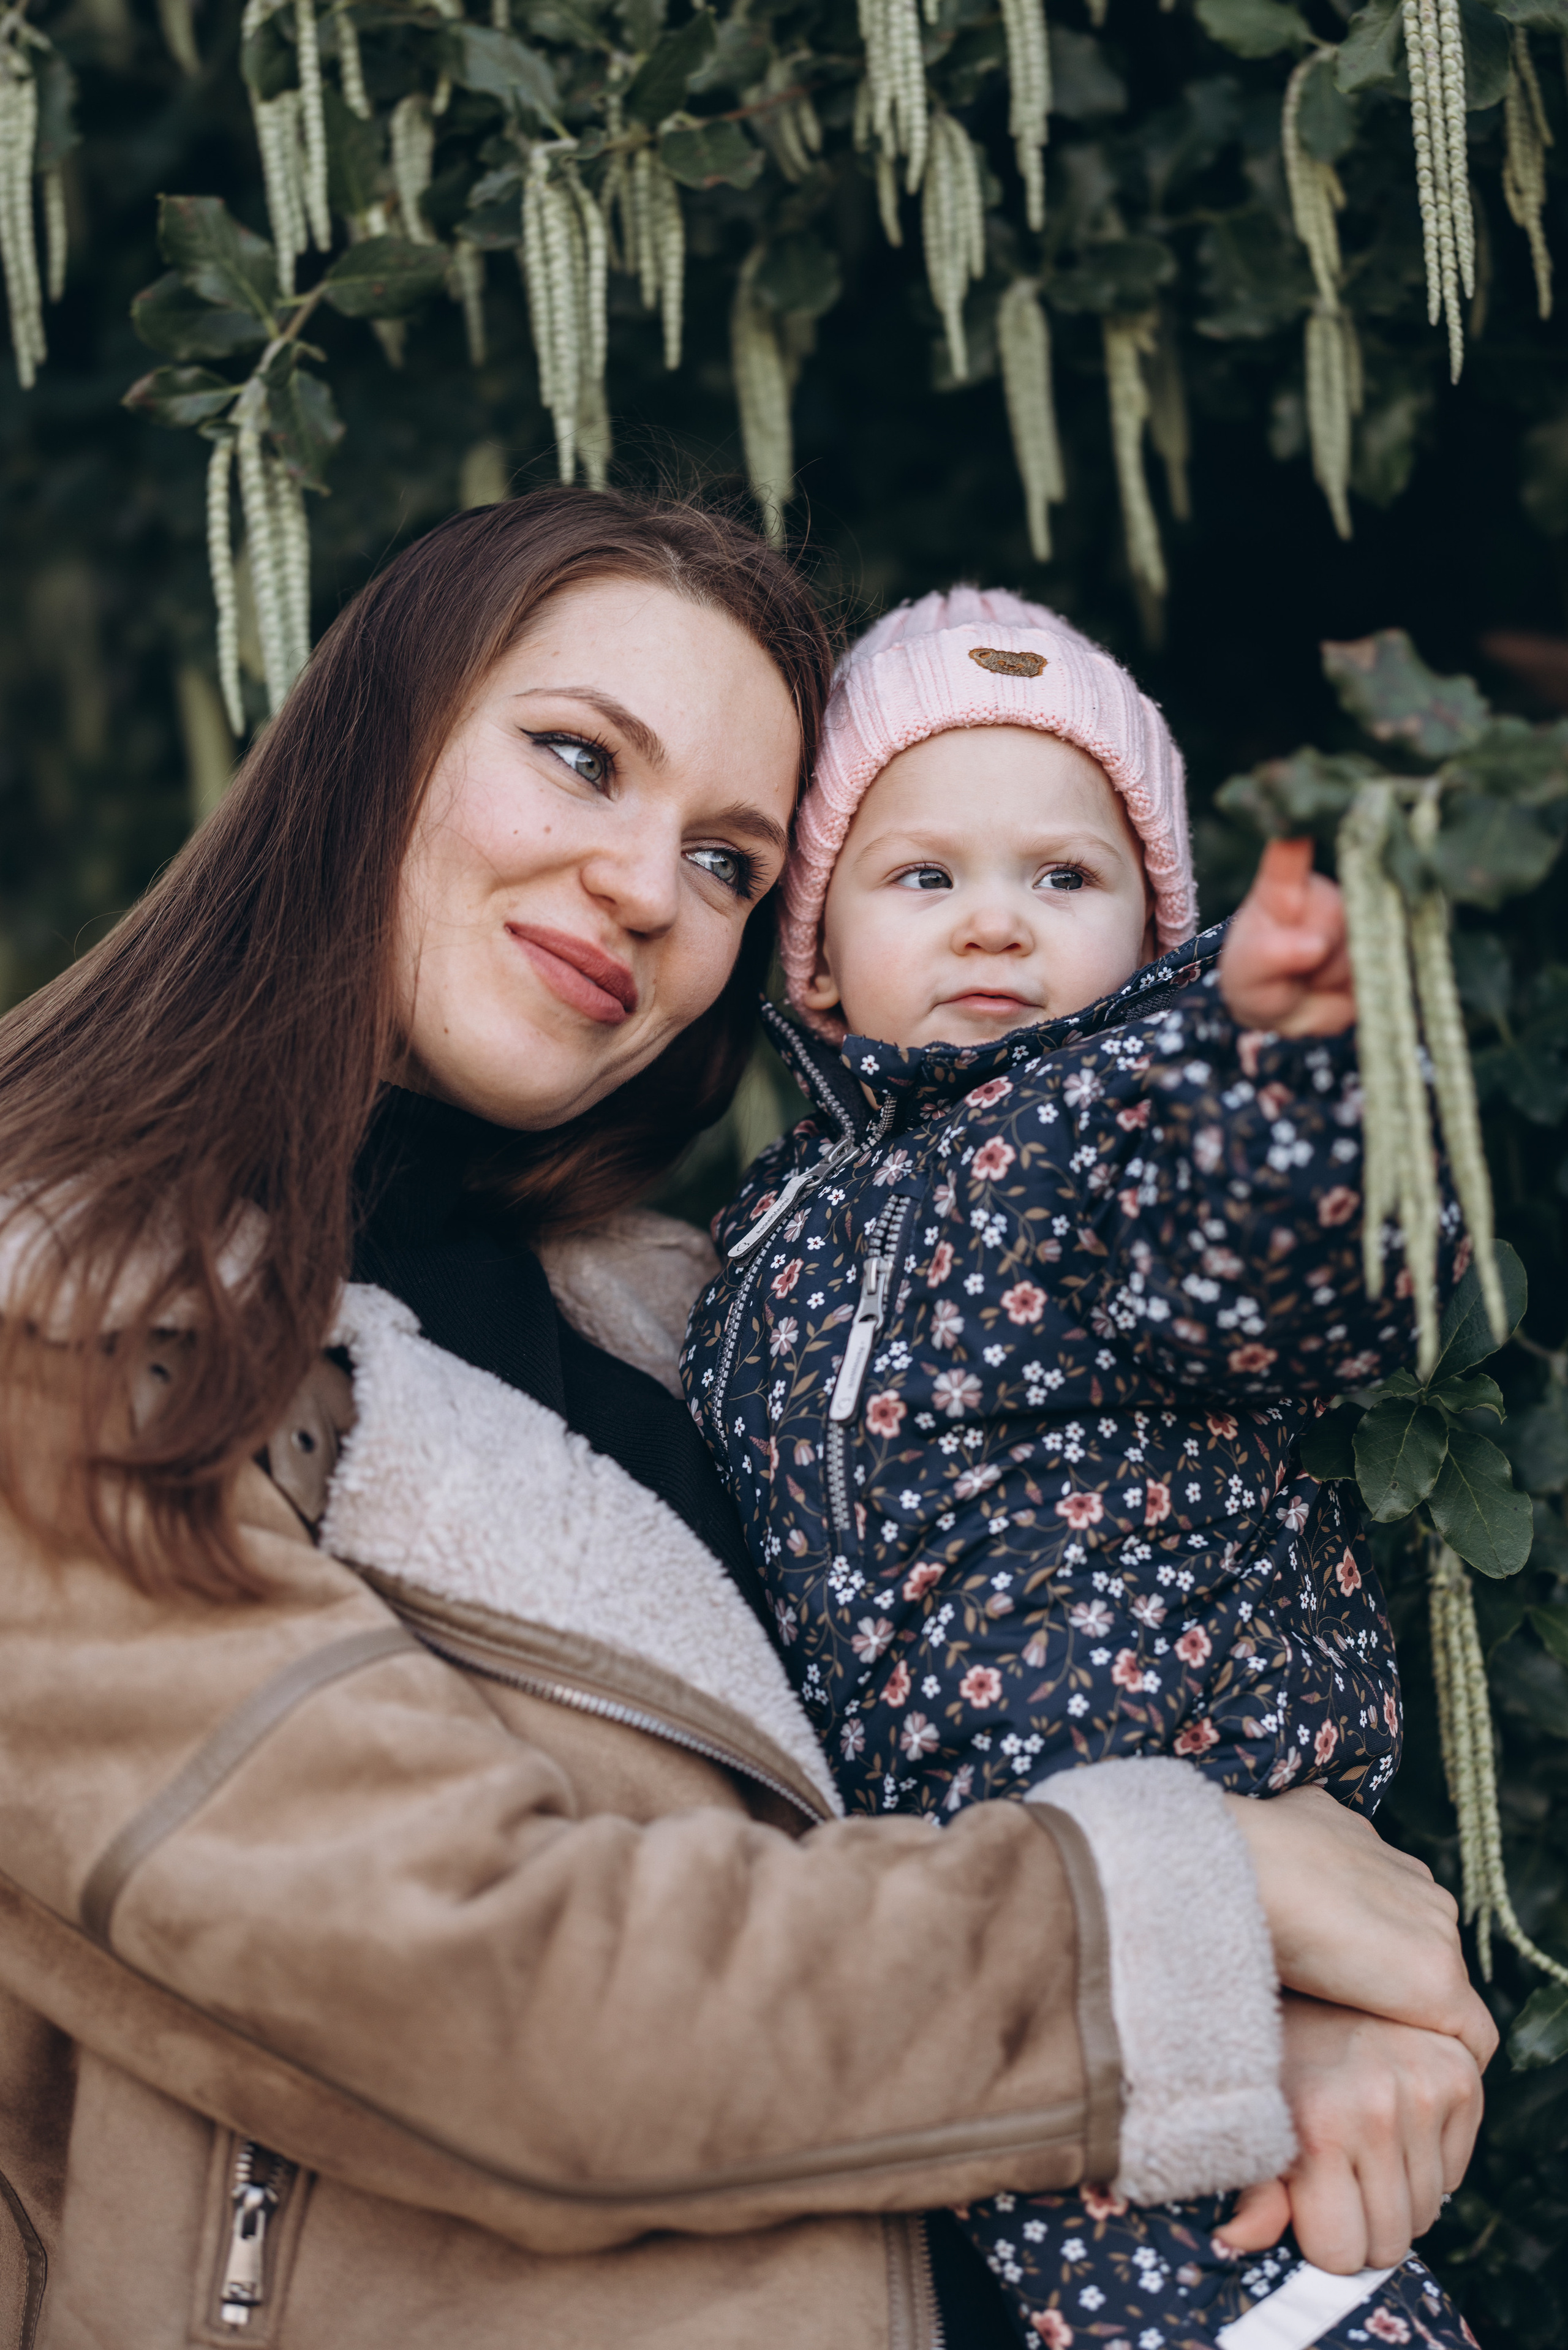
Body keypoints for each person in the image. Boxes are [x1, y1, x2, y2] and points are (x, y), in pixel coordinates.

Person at [0, 500, 1488, 2350]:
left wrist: (1264, 2026)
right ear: (368, 742)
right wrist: (1189, 1929)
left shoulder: (715, 1339)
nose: (645, 887)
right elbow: (494, 2001)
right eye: (578, 758)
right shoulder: (61, 1328)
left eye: (725, 858)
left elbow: (965, 1775)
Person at [682, 586, 1488, 2347]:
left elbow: (1283, 1279)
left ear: (1151, 930)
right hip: (955, 1939)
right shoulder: (766, 1228)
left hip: (1190, 1896)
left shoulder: (1122, 1130)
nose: (997, 923)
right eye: (925, 877)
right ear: (812, 953)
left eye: (1065, 878)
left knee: (1256, 2287)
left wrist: (1282, 1078)